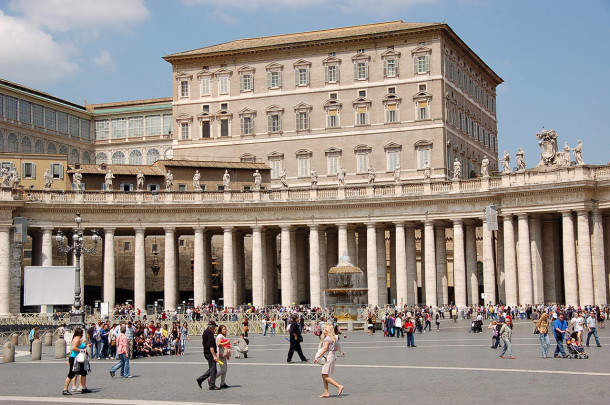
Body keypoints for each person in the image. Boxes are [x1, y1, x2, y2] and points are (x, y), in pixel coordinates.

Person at [314, 323, 344, 398]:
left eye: (324, 329)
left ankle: (338, 386)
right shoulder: (334, 338)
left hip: (329, 356)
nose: (323, 330)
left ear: (327, 331)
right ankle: (326, 392)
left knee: (324, 375)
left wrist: (317, 357)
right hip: (332, 355)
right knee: (325, 374)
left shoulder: (327, 338)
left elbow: (324, 349)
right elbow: (336, 349)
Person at [62, 328, 91, 395]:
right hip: (75, 358)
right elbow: (73, 348)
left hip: (79, 358)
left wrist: (85, 345)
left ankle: (83, 388)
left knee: (83, 372)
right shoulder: (77, 339)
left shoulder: (77, 338)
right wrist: (82, 350)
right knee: (71, 374)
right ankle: (65, 389)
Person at [196, 320, 220, 390]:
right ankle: (212, 385)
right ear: (212, 327)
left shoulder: (206, 332)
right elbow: (211, 346)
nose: (215, 328)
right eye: (214, 327)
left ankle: (200, 379)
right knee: (213, 370)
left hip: (206, 352)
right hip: (209, 353)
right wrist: (214, 356)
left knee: (211, 368)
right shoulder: (209, 333)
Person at [216, 325, 231, 389]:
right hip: (220, 355)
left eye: (225, 329)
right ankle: (212, 378)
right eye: (223, 329)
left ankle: (223, 383)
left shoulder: (223, 336)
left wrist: (227, 354)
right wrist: (227, 342)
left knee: (225, 369)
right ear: (220, 330)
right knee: (223, 370)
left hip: (223, 355)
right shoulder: (220, 336)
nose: (225, 330)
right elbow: (218, 344)